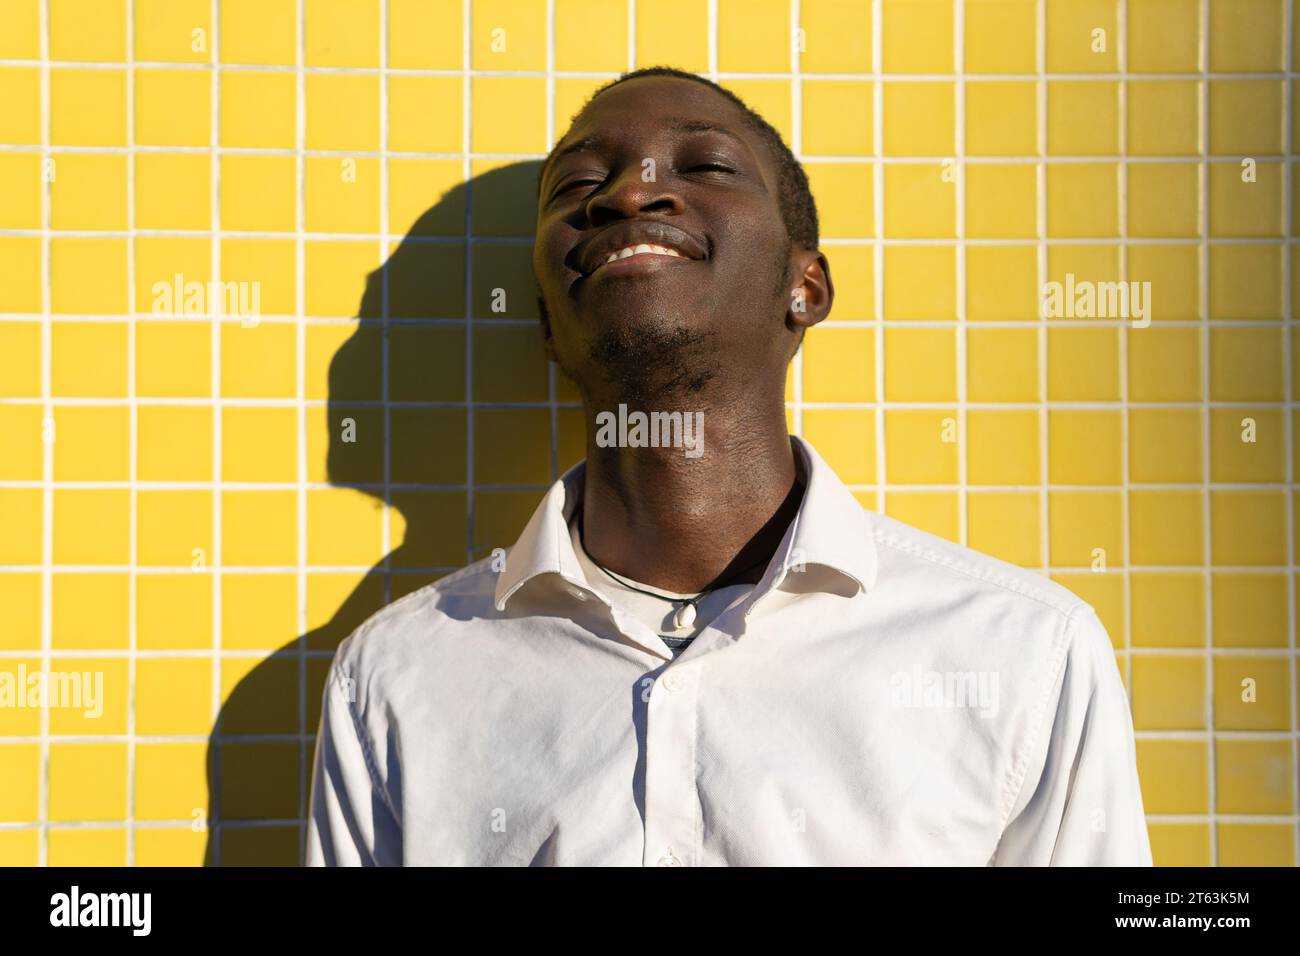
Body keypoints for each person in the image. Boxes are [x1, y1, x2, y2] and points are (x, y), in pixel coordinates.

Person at [305, 67, 1151, 866]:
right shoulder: (396, 682)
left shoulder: (1024, 656)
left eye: (705, 163)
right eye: (577, 189)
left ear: (806, 287)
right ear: (547, 327)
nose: (630, 193)